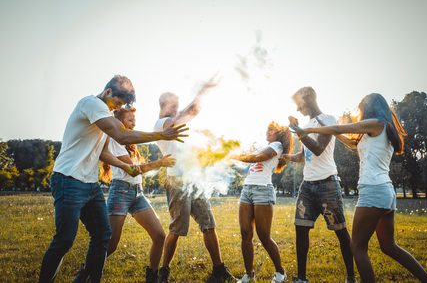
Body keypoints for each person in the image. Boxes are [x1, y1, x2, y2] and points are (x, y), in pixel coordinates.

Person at [38, 75, 188, 283]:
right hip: (68, 179)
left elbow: (103, 153)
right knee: (64, 240)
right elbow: (122, 136)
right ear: (108, 92)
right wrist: (161, 135)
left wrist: (125, 165)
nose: (117, 107)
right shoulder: (91, 104)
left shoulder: (104, 114)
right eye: (117, 102)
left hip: (90, 184)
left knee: (102, 236)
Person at [289, 93, 427, 283]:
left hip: (373, 191)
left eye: (361, 109)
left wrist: (304, 131)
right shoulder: (383, 130)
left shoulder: (374, 123)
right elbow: (349, 140)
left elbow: (339, 127)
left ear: (369, 107)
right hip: (386, 192)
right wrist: (315, 131)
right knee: (389, 247)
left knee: (357, 247)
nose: (360, 113)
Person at [154, 73, 236, 283]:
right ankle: (164, 271)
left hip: (194, 181)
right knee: (177, 228)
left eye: (178, 104)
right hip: (177, 182)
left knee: (208, 223)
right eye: (174, 104)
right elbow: (191, 110)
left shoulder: (176, 121)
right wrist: (205, 88)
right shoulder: (162, 124)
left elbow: (192, 111)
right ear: (164, 104)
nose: (178, 107)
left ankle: (218, 269)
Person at [283, 87, 356, 283]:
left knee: (340, 231)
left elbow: (318, 149)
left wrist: (300, 133)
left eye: (298, 104)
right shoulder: (306, 126)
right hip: (307, 185)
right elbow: (305, 155)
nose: (298, 109)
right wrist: (289, 157)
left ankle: (351, 278)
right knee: (300, 228)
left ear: (307, 98)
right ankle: (301, 278)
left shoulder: (328, 120)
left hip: (327, 184)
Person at [100, 106, 176, 283]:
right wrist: (161, 163)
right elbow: (134, 170)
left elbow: (139, 173)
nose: (134, 123)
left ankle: (152, 277)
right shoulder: (115, 141)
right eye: (130, 120)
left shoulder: (130, 144)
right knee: (111, 244)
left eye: (135, 120)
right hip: (120, 192)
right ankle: (86, 271)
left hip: (137, 193)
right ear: (120, 122)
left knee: (159, 235)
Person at [230, 122, 293, 283]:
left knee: (264, 236)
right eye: (268, 129)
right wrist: (229, 163)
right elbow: (245, 170)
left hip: (262, 190)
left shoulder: (277, 145)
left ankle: (280, 273)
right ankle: (249, 275)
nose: (268, 131)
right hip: (247, 190)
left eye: (272, 130)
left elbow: (259, 158)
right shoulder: (263, 147)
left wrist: (234, 155)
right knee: (245, 234)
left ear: (279, 134)